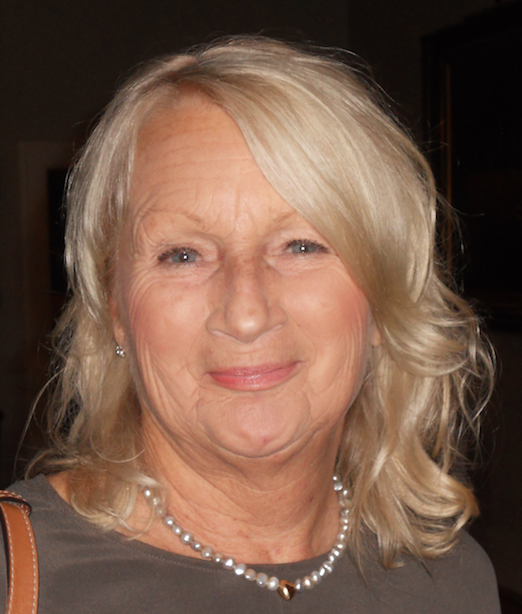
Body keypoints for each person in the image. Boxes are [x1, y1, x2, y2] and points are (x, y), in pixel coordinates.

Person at [1, 36, 500, 613]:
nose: (246, 314)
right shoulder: (15, 574)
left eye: (302, 245)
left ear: (383, 297)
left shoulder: (454, 582)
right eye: (183, 255)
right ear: (115, 309)